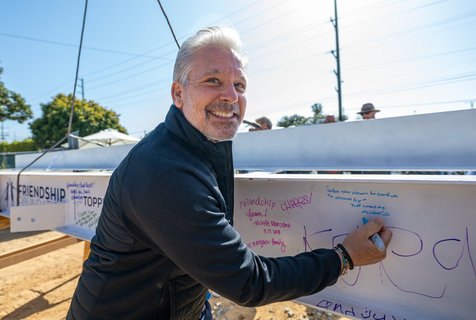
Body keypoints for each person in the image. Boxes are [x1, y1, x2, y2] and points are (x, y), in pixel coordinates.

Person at [67, 26, 392, 320]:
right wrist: (344, 257)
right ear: (178, 94)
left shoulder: (193, 148)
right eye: (213, 80)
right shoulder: (165, 173)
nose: (231, 96)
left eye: (239, 84)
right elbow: (247, 282)